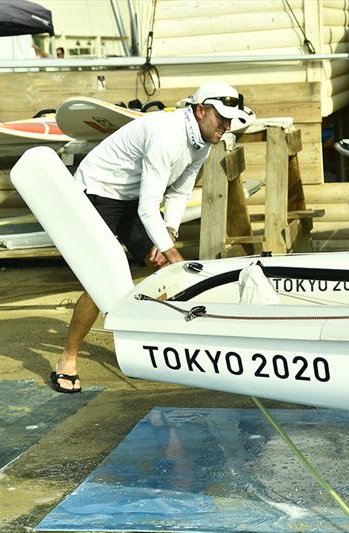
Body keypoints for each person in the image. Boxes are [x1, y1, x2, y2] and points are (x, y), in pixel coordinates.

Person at [50, 81, 252, 393]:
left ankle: (155, 351)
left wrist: (168, 234)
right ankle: (68, 358)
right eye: (221, 118)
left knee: (166, 272)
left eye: (230, 120)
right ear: (201, 111)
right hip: (97, 190)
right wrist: (171, 252)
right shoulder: (166, 134)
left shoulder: (204, 139)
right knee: (102, 276)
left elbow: (181, 191)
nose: (226, 126)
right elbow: (149, 207)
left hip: (132, 197)